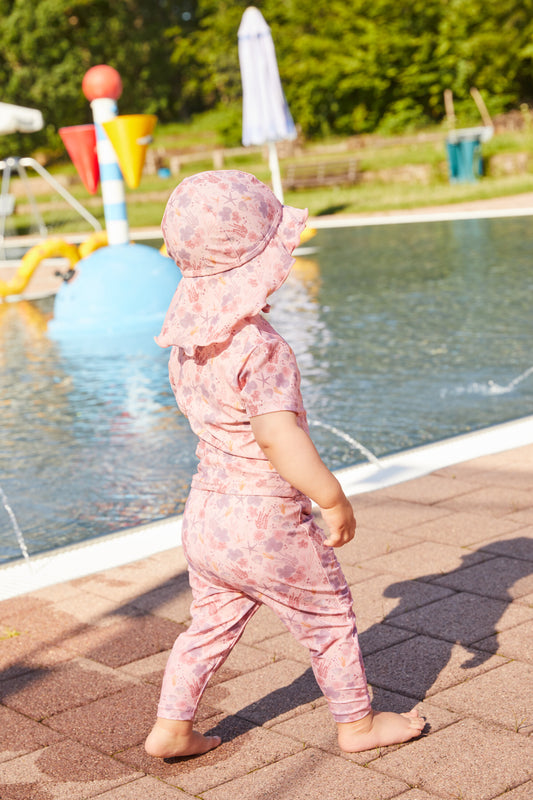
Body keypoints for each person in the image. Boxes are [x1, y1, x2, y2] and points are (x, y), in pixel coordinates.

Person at [145, 170, 424, 759]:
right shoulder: (262, 346)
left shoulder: (185, 347)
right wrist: (331, 496)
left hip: (206, 517)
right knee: (328, 617)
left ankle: (171, 728)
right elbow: (277, 436)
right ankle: (358, 725)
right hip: (265, 522)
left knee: (207, 626)